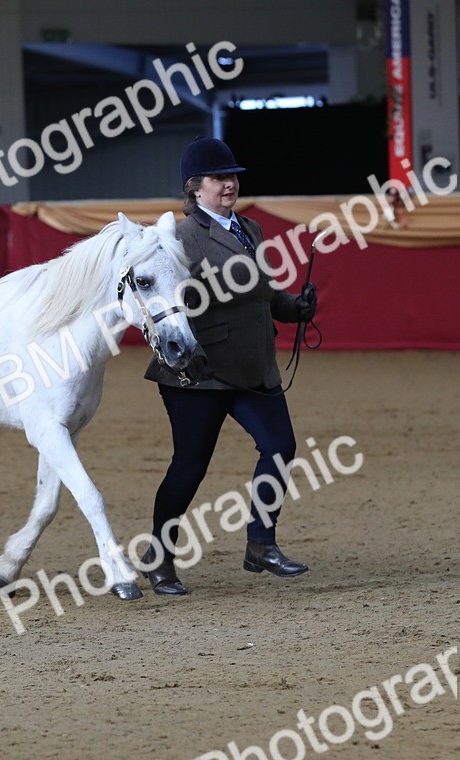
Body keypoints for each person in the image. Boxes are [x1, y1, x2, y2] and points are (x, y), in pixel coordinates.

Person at [140, 135, 317, 595]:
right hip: (199, 372)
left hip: (253, 365)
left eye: (232, 178)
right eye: (219, 179)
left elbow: (264, 293)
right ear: (194, 188)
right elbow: (166, 303)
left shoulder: (251, 230)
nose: (229, 185)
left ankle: (261, 543)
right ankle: (159, 558)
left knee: (280, 446)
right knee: (190, 466)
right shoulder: (177, 238)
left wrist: (293, 306)